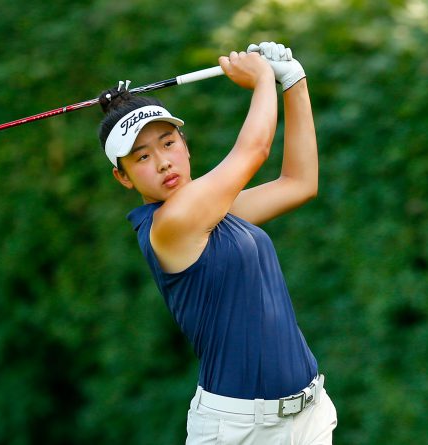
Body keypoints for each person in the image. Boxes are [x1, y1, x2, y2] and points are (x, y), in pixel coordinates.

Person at [97, 42, 337, 444]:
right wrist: (263, 79)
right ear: (123, 178)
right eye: (141, 158)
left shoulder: (218, 215)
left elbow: (300, 183)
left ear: (185, 145)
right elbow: (255, 150)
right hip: (241, 432)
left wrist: (294, 81)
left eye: (169, 143)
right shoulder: (170, 224)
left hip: (308, 417)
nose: (162, 162)